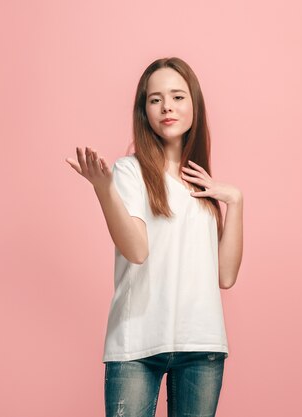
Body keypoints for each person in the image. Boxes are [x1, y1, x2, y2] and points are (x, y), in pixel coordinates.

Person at [65, 57, 243, 417]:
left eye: (177, 97)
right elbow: (137, 249)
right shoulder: (130, 171)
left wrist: (236, 202)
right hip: (137, 343)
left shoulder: (203, 184)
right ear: (143, 109)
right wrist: (104, 189)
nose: (167, 107)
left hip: (202, 341)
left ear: (194, 104)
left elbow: (224, 277)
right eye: (155, 99)